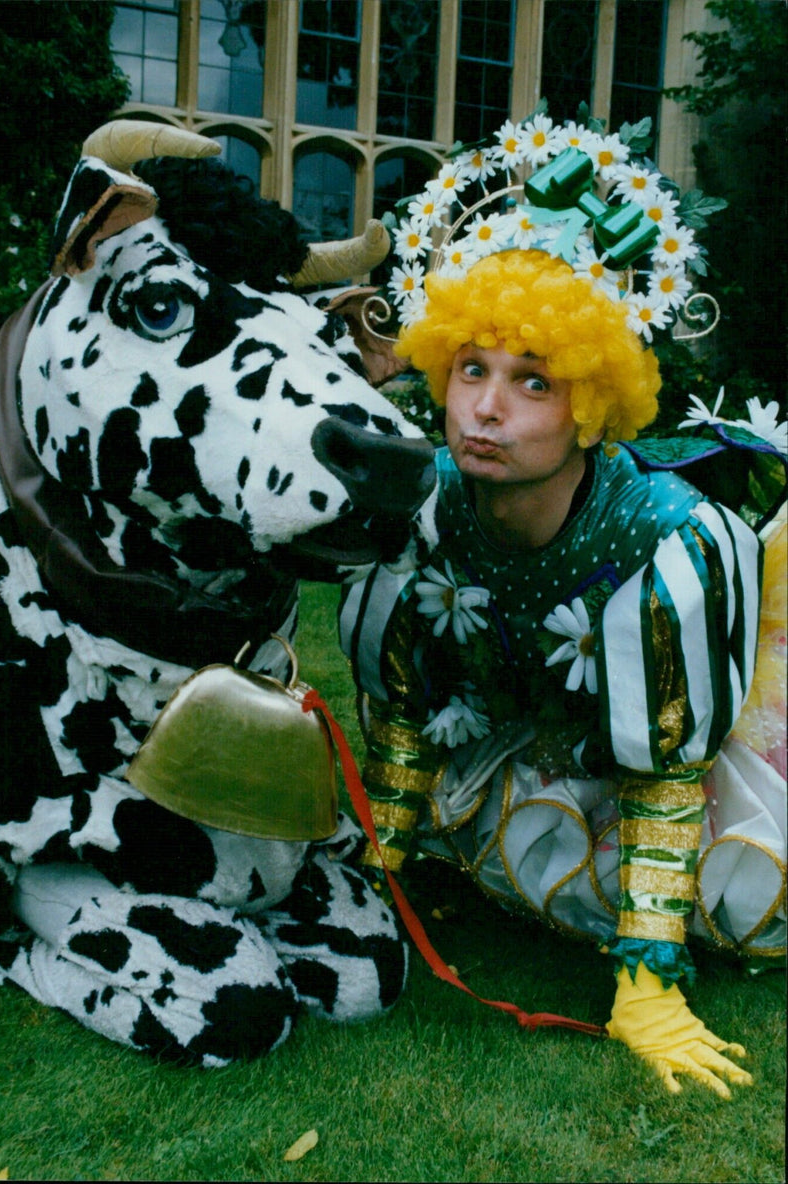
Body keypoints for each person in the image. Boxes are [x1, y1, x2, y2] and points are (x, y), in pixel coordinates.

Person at [339, 126, 787, 1098]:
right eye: (471, 370)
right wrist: (374, 866)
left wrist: (644, 985)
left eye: (531, 380)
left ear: (590, 400)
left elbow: (669, 771)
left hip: (654, 773)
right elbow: (408, 703)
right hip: (510, 742)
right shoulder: (425, 510)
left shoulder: (669, 544)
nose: (483, 410)